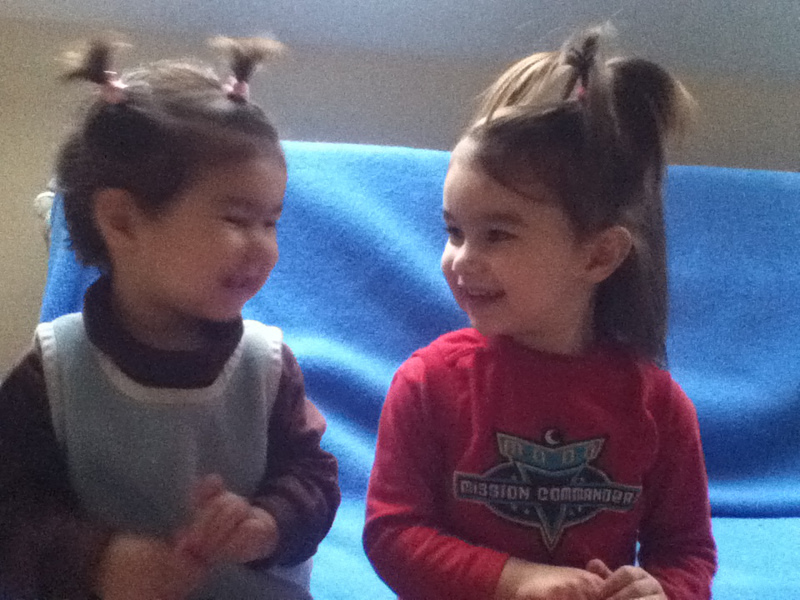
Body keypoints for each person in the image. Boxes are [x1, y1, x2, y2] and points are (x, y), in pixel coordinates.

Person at [363, 27, 716, 600]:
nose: (461, 259)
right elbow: (392, 534)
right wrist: (517, 579)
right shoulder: (427, 385)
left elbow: (687, 552)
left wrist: (662, 591)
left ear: (599, 255)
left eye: (498, 234)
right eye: (455, 231)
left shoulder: (660, 409)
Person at [0, 37, 339, 600]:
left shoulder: (267, 367)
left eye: (271, 222)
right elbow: (11, 513)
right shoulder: (52, 376)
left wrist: (268, 524)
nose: (263, 246)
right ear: (122, 221)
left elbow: (314, 477)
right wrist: (96, 561)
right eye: (237, 219)